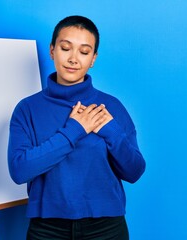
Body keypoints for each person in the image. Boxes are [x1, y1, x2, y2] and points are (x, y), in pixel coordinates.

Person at [8, 15, 146, 240]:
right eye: (65, 48)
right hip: (47, 229)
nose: (73, 58)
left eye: (84, 52)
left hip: (106, 229)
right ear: (52, 50)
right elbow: (20, 170)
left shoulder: (110, 107)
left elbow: (134, 171)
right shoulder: (27, 109)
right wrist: (75, 129)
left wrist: (110, 130)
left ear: (93, 59)